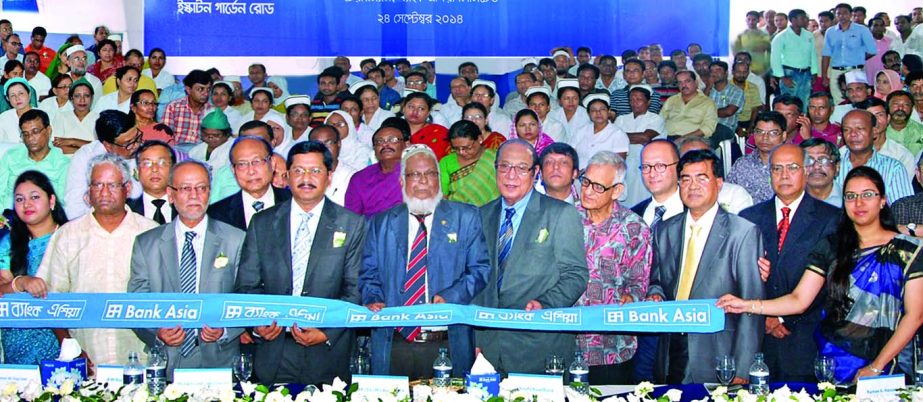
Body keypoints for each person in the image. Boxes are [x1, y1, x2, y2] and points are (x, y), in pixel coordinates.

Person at [718, 166, 923, 383]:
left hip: (887, 365)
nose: (859, 203)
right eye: (851, 196)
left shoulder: (909, 250)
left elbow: (915, 315)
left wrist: (876, 367)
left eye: (868, 195)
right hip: (834, 362)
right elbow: (799, 300)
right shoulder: (832, 246)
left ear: (882, 200)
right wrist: (746, 305)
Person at [235, 140, 366, 385]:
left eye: (315, 170)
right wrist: (257, 323)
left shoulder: (352, 224)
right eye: (298, 170)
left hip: (326, 350)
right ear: (286, 175)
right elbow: (246, 285)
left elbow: (355, 288)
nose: (306, 177)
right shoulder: (262, 222)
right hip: (273, 347)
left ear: (329, 176)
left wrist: (326, 332)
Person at [360, 144, 489, 378]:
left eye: (430, 173)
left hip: (446, 341)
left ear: (440, 180)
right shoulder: (380, 223)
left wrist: (451, 296)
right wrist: (373, 298)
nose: (423, 181)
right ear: (402, 182)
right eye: (414, 174)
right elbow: (368, 273)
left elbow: (479, 269)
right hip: (394, 341)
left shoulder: (466, 217)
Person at [647, 148, 764, 384]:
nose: (693, 186)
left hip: (719, 351)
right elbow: (658, 281)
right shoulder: (665, 230)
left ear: (719, 183)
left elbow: (752, 304)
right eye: (686, 179)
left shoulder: (742, 232)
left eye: (702, 178)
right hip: (672, 348)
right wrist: (655, 295)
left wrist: (743, 367)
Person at [474, 139, 589, 375]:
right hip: (488, 349)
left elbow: (575, 275)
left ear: (535, 172)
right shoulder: (481, 215)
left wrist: (545, 304)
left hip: (539, 344)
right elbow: (477, 278)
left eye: (521, 168)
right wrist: (477, 336)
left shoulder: (560, 214)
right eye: (504, 167)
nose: (511, 175)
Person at [37, 154, 157, 368]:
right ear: (88, 191)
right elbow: (51, 299)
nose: (104, 192)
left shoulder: (151, 233)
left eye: (112, 185)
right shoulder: (68, 235)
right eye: (97, 185)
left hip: (142, 359)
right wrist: (72, 349)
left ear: (127, 189)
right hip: (86, 358)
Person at [128, 160, 245, 379]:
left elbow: (246, 297)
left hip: (220, 359)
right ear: (170, 195)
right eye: (185, 188)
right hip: (166, 359)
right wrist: (157, 333)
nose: (194, 195)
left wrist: (226, 330)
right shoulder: (146, 243)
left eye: (201, 188)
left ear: (209, 193)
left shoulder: (236, 239)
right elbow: (136, 302)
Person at [738, 143, 840, 382]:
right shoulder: (748, 218)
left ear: (806, 171)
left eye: (792, 167)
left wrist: (782, 318)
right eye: (777, 169)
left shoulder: (831, 218)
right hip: (756, 338)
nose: (784, 175)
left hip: (805, 337)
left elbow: (832, 284)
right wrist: (764, 318)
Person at [575, 151, 651, 384]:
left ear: (617, 191)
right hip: (567, 339)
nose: (587, 191)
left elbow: (640, 282)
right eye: (585, 182)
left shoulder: (634, 227)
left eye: (598, 187)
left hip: (612, 345)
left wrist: (631, 297)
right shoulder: (566, 217)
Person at [0, 171, 68, 364]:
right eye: (20, 199)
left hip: (62, 339)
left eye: (35, 197)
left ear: (52, 200)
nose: (27, 204)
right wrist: (20, 282)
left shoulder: (69, 237)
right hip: (17, 341)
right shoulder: (8, 244)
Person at [63, 110, 143, 219]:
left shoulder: (144, 152)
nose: (137, 145)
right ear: (108, 146)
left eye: (138, 137)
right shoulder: (85, 157)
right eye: (129, 144)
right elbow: (74, 207)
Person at [207, 136, 292, 231]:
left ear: (272, 163)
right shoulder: (215, 214)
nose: (251, 171)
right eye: (242, 164)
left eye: (257, 161)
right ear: (233, 170)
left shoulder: (295, 202)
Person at [837, 109, 913, 204]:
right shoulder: (834, 165)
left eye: (860, 129)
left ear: (874, 131)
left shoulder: (893, 168)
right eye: (846, 130)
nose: (853, 134)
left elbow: (904, 211)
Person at [0, 109, 69, 209]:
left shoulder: (63, 164)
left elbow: (61, 203)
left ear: (48, 131)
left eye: (35, 132)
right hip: (8, 218)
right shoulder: (11, 156)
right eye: (25, 134)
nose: (30, 138)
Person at [345, 117, 408, 217]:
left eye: (392, 140)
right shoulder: (360, 178)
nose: (386, 144)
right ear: (374, 149)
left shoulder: (416, 172)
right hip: (370, 229)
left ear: (406, 145)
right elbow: (352, 218)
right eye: (379, 141)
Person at [677, 136, 755, 214]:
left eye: (702, 157)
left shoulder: (735, 195)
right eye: (688, 159)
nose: (696, 163)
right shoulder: (673, 195)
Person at [822, 3, 877, 105]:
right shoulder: (830, 32)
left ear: (851, 14)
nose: (842, 16)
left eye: (845, 13)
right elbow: (826, 54)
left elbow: (872, 51)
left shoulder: (862, 30)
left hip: (855, 70)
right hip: (836, 71)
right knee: (838, 100)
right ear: (835, 15)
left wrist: (858, 58)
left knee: (858, 99)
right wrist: (825, 75)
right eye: (839, 13)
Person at [728, 111, 788, 203]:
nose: (765, 137)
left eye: (772, 133)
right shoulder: (742, 163)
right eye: (759, 132)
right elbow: (728, 193)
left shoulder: (792, 166)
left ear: (783, 136)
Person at [439, 120, 498, 206]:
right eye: (456, 148)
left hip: (491, 212)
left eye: (467, 147)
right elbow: (443, 196)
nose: (461, 152)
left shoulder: (495, 158)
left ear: (480, 138)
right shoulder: (446, 162)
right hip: (458, 213)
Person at [857, 97, 917, 179]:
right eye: (869, 116)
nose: (875, 121)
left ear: (888, 118)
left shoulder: (902, 155)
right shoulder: (845, 153)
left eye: (880, 115)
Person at [771, 9, 819, 108]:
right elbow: (775, 59)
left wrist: (814, 72)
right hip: (789, 74)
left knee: (804, 103)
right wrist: (782, 77)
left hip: (806, 74)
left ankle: (802, 123)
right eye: (802, 18)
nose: (806, 20)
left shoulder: (809, 35)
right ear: (793, 20)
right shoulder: (781, 37)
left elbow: (813, 55)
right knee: (789, 104)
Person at [571, 94, 629, 169]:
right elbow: (571, 154)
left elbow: (619, 164)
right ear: (589, 114)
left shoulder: (618, 134)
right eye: (593, 110)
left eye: (602, 109)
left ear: (608, 112)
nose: (598, 113)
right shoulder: (580, 131)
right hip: (579, 176)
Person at [127, 140, 177, 224]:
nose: (154, 169)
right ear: (137, 171)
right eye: (147, 163)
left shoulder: (188, 206)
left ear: (174, 169)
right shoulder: (126, 210)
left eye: (162, 162)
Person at [162, 70, 214, 149]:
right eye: (200, 89)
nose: (206, 93)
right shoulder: (173, 107)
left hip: (201, 154)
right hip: (177, 151)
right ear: (188, 89)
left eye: (208, 89)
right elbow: (165, 137)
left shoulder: (212, 111)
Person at [308, 124, 356, 206]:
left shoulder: (352, 177)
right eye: (316, 144)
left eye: (329, 142)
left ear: (339, 144)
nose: (323, 148)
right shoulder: (303, 174)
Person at [660, 70, 718, 139]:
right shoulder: (671, 100)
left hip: (692, 140)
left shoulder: (707, 103)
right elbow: (660, 120)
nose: (683, 85)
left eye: (687, 81)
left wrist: (684, 138)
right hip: (667, 138)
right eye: (680, 82)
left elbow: (708, 128)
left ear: (696, 82)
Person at [50, 78, 96, 154]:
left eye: (86, 96)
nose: (82, 100)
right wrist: (88, 147)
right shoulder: (61, 117)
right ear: (71, 98)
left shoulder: (99, 119)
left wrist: (72, 141)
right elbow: (56, 147)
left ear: (92, 98)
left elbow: (101, 147)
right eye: (77, 96)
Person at [400, 92, 449, 160]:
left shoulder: (439, 133)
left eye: (421, 108)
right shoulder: (394, 131)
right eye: (411, 107)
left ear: (428, 113)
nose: (415, 111)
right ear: (403, 109)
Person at [800, 138, 843, 207]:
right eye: (808, 160)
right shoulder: (791, 199)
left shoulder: (849, 198)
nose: (816, 167)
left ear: (837, 167)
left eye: (823, 160)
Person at [733, 11, 772, 76]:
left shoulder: (763, 35)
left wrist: (767, 67)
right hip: (745, 68)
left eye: (754, 20)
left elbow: (767, 49)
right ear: (746, 20)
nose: (751, 22)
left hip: (760, 69)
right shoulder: (740, 35)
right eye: (749, 19)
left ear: (758, 20)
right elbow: (735, 52)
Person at [886, 90, 923, 157]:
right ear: (888, 106)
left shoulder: (920, 131)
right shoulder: (878, 131)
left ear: (911, 109)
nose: (900, 108)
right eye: (896, 104)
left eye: (906, 105)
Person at [0, 78, 38, 143]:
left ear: (29, 94)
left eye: (21, 93)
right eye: (12, 95)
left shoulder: (41, 115)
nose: (17, 98)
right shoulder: (4, 117)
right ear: (8, 99)